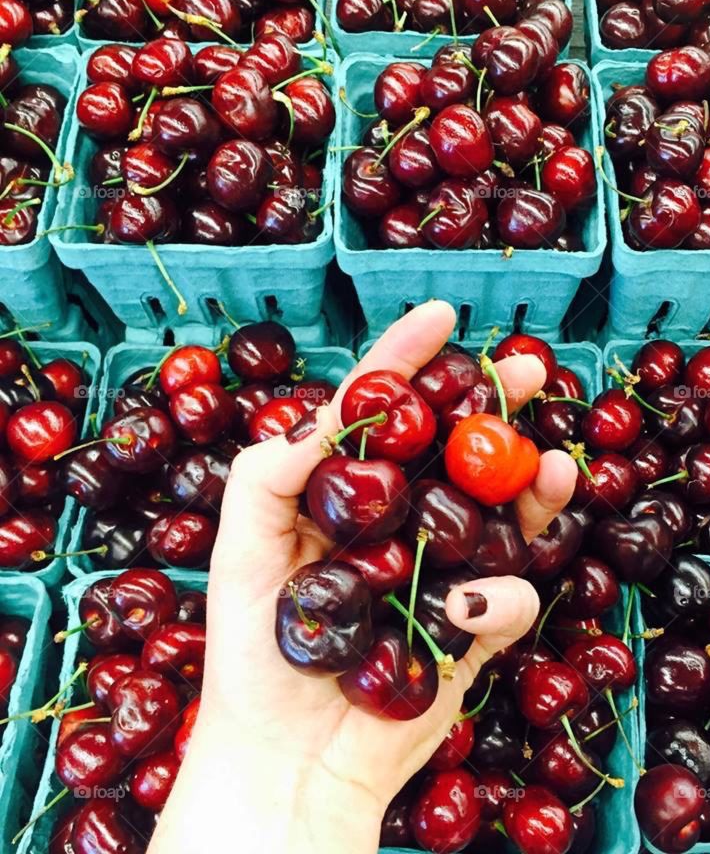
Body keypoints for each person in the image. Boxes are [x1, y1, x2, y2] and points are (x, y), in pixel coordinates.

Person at [148, 300, 578, 853]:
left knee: (487, 565)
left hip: (413, 564)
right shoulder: (336, 531)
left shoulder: (396, 532)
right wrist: (258, 753)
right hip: (379, 566)